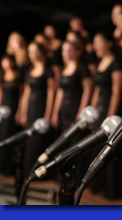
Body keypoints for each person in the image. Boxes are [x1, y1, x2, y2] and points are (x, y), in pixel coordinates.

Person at [89, 31, 122, 199]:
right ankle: (99, 185)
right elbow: (97, 89)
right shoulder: (99, 62)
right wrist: (93, 111)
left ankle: (112, 190)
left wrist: (109, 117)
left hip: (111, 112)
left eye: (99, 42)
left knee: (109, 150)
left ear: (109, 43)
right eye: (94, 43)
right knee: (98, 148)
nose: (96, 46)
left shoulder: (116, 63)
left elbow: (117, 92)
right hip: (100, 110)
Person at [50, 40, 93, 185]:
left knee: (76, 144)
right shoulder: (64, 70)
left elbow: (87, 90)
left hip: (76, 110)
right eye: (63, 50)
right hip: (65, 112)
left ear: (77, 51)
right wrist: (55, 112)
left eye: (69, 50)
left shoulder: (82, 69)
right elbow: (60, 93)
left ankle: (77, 178)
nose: (66, 53)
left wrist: (82, 112)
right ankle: (64, 177)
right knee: (65, 142)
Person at [20, 42, 55, 178]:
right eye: (30, 52)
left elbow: (51, 93)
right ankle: (28, 172)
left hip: (41, 108)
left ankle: (40, 175)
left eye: (35, 51)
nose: (33, 55)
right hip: (31, 109)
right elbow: (26, 93)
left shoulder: (48, 70)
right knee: (29, 142)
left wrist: (48, 114)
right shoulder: (29, 70)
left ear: (41, 52)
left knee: (39, 142)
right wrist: (22, 112)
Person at [0, 54, 23, 176]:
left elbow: (22, 95)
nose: (6, 63)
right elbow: (1, 93)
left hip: (13, 107)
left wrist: (20, 111)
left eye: (8, 61)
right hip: (3, 107)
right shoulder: (2, 75)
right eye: (4, 61)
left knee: (9, 135)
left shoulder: (18, 75)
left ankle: (8, 168)